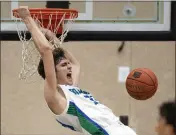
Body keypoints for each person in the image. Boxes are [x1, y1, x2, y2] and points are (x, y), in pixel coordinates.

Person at [16, 6, 137, 135]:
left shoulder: (72, 89)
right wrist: (27, 19)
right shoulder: (55, 96)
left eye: (67, 64)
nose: (69, 66)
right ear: (53, 72)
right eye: (63, 65)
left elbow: (75, 64)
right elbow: (46, 51)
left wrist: (52, 37)